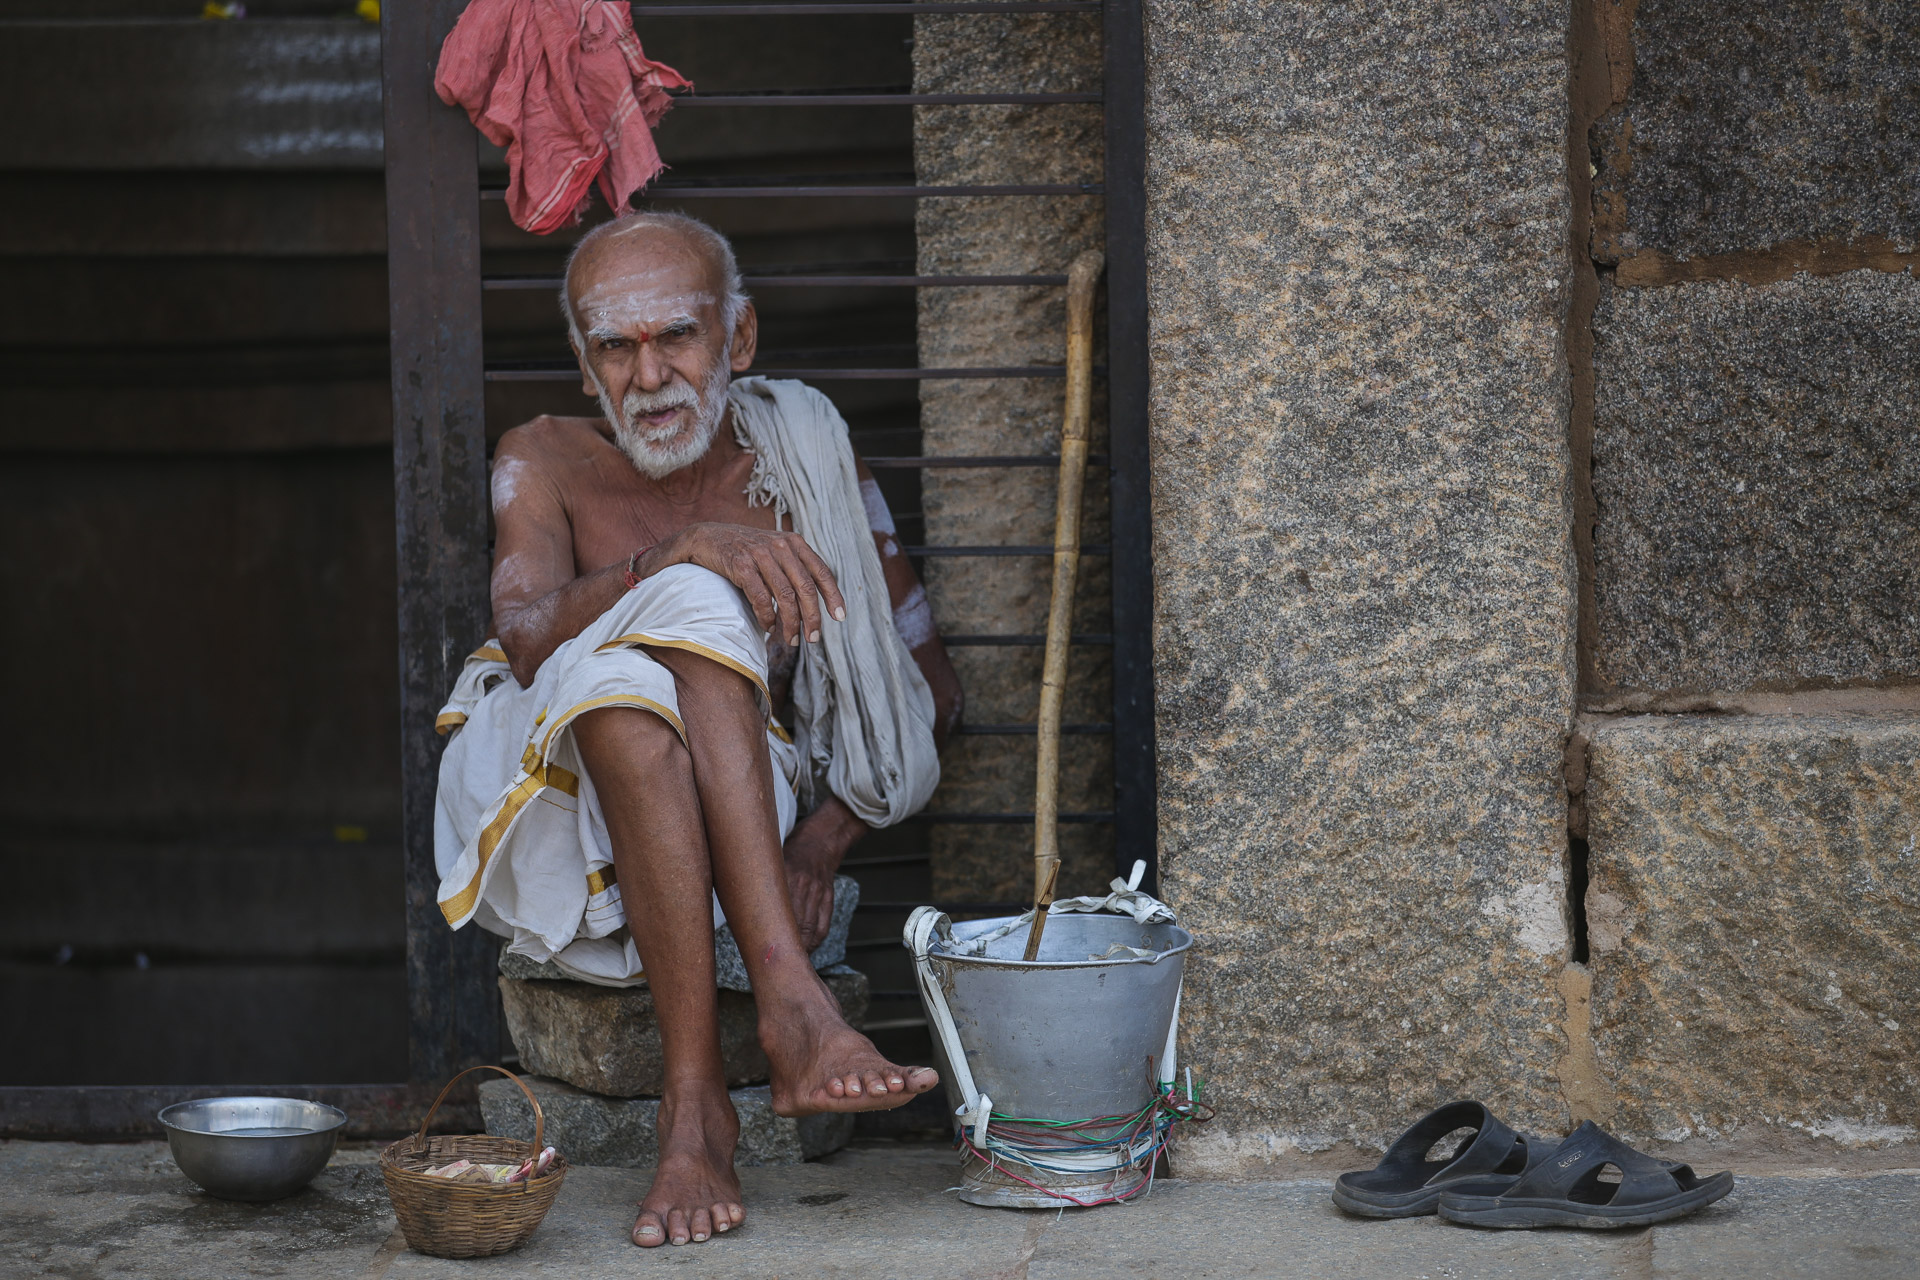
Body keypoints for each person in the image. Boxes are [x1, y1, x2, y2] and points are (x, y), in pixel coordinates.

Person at [431, 211, 960, 1247]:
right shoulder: (541, 457)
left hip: (719, 797)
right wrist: (680, 554)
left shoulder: (805, 459)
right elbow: (528, 636)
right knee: (685, 614)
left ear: (740, 341)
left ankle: (694, 1113)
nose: (650, 372)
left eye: (677, 335)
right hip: (540, 797)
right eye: (616, 347)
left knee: (640, 698)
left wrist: (821, 838)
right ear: (586, 367)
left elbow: (926, 691)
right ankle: (793, 1002)